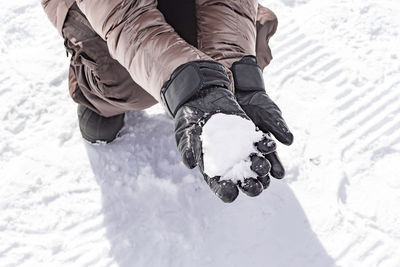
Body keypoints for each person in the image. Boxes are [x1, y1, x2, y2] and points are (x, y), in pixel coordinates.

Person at [42, 0, 294, 202]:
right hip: (104, 9)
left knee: (252, 37)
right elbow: (125, 15)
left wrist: (230, 73)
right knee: (126, 82)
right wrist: (187, 86)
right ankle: (93, 90)